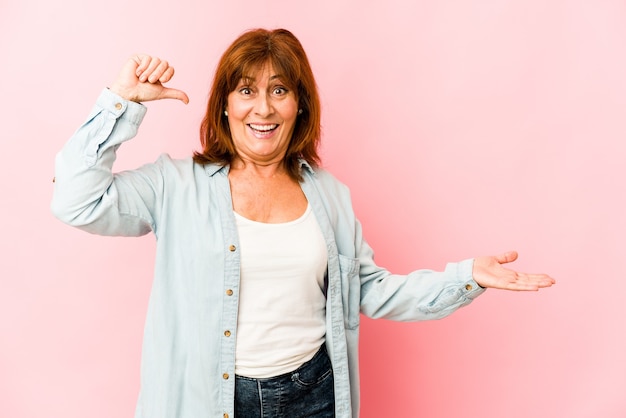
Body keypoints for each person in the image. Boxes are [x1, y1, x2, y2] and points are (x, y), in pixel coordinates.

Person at [51, 28, 555, 418]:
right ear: (225, 105)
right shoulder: (174, 186)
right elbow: (75, 200)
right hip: (206, 400)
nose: (263, 108)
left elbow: (369, 289)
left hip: (311, 394)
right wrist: (122, 101)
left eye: (279, 90)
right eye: (246, 90)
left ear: (299, 105)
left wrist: (465, 276)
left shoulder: (330, 195)